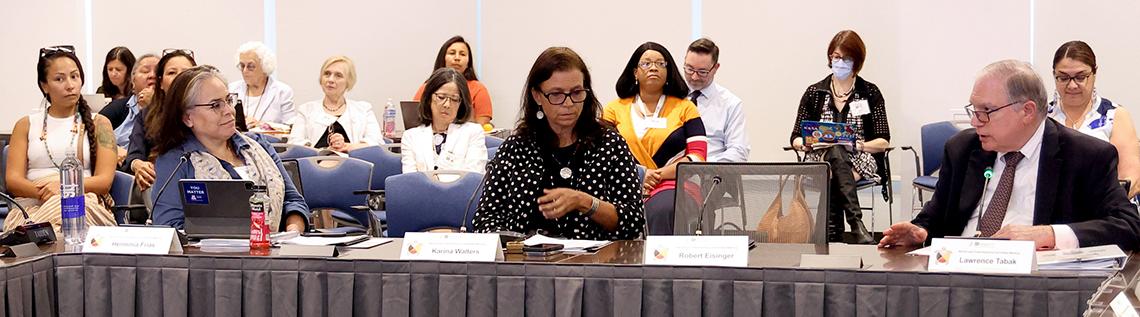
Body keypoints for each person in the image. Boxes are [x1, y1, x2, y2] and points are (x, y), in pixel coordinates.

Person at [879, 60, 1140, 251]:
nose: (975, 120)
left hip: (1035, 283)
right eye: (973, 109)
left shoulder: (1085, 156)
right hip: (960, 276)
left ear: (1027, 111)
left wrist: (1050, 234)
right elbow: (935, 216)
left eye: (986, 110)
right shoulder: (962, 149)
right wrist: (920, 231)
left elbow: (1130, 226)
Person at [474, 47, 644, 240]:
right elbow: (485, 220)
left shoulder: (609, 144)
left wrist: (585, 202)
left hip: (595, 264)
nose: (568, 103)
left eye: (576, 92)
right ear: (537, 96)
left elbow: (634, 221)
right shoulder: (516, 147)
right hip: (527, 263)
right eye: (556, 94)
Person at [149, 66, 309, 232]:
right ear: (188, 118)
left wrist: (293, 232)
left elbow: (293, 201)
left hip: (276, 250)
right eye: (215, 105)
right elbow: (168, 227)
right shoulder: (176, 161)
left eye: (228, 100)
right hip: (213, 256)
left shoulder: (259, 145)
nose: (229, 111)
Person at [4, 45, 118, 231]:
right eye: (59, 79)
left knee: (68, 210)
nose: (70, 85)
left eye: (75, 76)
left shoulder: (101, 123)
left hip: (84, 204)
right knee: (50, 220)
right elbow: (13, 180)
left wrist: (64, 188)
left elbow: (104, 181)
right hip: (32, 207)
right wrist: (47, 192)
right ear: (44, 85)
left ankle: (41, 237)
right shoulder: (25, 125)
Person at [789, 30, 888, 244]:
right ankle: (856, 225)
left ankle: (829, 236)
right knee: (833, 155)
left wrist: (859, 145)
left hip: (859, 160)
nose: (840, 62)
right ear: (829, 58)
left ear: (857, 61)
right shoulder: (814, 92)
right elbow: (795, 136)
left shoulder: (870, 93)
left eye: (846, 58)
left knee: (834, 165)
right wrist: (804, 144)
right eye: (836, 57)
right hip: (820, 158)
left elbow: (883, 141)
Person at [602, 42, 707, 235]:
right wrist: (639, 175)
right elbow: (604, 157)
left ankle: (660, 265)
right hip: (625, 184)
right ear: (635, 72)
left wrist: (655, 175)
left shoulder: (686, 108)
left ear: (668, 72)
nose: (653, 67)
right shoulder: (613, 110)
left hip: (674, 184)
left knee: (662, 209)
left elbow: (698, 157)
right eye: (646, 63)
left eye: (660, 63)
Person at [1046, 41, 1140, 198]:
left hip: (1106, 208)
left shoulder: (1114, 116)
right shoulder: (1043, 118)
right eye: (1063, 78)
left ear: (1094, 74)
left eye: (1080, 77)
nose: (1072, 85)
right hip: (1052, 210)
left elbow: (1132, 179)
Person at [122, 49, 196, 201]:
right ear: (160, 83)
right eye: (172, 72)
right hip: (157, 177)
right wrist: (137, 164)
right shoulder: (147, 114)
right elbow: (134, 154)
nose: (179, 77)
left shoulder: (207, 112)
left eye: (185, 71)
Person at [401, 67, 487, 173]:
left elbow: (473, 177)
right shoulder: (410, 137)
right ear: (428, 99)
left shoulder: (473, 132)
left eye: (454, 99)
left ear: (461, 103)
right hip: (421, 190)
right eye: (441, 97)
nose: (447, 105)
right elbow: (410, 180)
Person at [288, 56, 383, 151]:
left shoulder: (363, 109)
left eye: (338, 75)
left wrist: (346, 147)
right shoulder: (306, 110)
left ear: (349, 82)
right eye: (327, 74)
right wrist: (324, 151)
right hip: (315, 163)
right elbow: (294, 144)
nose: (330, 80)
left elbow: (376, 142)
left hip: (353, 163)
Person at [683, 38, 750, 162]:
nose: (694, 76)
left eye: (702, 72)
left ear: (716, 68)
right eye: (689, 69)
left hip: (714, 174)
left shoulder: (731, 103)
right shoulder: (672, 97)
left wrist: (700, 167)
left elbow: (739, 151)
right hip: (671, 174)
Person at [412, 36, 493, 126]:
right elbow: (414, 120)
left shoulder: (478, 89)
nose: (457, 58)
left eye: (462, 54)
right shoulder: (427, 87)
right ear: (443, 58)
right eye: (452, 53)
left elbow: (482, 126)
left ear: (468, 63)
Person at [100, 53, 158, 162]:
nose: (152, 75)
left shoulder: (172, 112)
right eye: (145, 71)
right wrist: (114, 149)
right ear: (133, 79)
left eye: (157, 72)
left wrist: (152, 107)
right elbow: (90, 131)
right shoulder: (119, 107)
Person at [229, 41, 296, 127]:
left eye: (251, 66)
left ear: (265, 66)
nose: (245, 71)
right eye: (242, 66)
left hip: (271, 140)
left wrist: (262, 125)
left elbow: (290, 126)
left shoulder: (282, 92)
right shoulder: (232, 89)